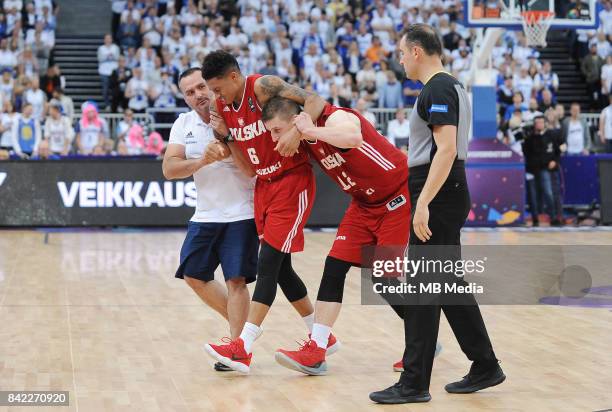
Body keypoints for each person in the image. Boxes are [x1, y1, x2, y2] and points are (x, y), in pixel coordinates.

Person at [370, 24, 503, 404]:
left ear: (416, 51)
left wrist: (424, 202)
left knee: (424, 288)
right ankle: (485, 365)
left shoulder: (439, 87)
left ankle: (414, 383)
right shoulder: (450, 85)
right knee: (446, 284)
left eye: (400, 52)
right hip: (444, 189)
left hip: (438, 191)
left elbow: (444, 151)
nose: (399, 59)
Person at [200, 51, 338, 374]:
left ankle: (243, 347)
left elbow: (315, 101)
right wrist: (227, 136)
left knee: (268, 263)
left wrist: (295, 131)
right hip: (263, 186)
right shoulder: (222, 109)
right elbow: (247, 170)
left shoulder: (262, 87)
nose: (215, 97)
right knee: (283, 269)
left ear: (235, 77)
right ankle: (323, 338)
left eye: (218, 89)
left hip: (292, 180)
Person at [260, 97, 418, 375]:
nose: (274, 138)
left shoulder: (334, 118)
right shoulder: (304, 139)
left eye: (276, 130)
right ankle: (316, 350)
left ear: (296, 121)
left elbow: (352, 137)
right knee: (334, 267)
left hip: (397, 197)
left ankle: (421, 340)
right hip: (363, 204)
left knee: (384, 278)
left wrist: (308, 131)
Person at [163, 68, 258, 373]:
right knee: (192, 274)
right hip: (205, 214)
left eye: (201, 87)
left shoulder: (234, 114)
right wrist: (202, 160)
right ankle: (243, 334)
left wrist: (228, 143)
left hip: (242, 211)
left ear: (211, 85)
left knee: (236, 281)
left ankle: (238, 348)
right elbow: (169, 169)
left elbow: (251, 170)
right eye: (189, 92)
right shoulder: (183, 123)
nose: (197, 95)